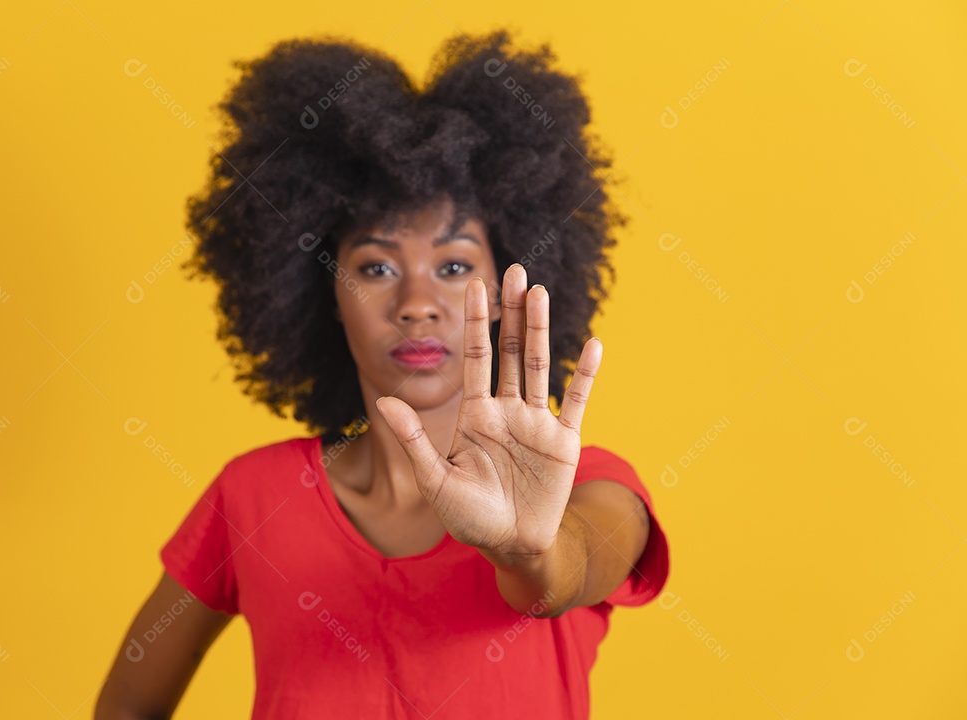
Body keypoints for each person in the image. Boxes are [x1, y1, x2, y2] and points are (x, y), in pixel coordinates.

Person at [95, 27, 669, 720]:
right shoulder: (252, 497)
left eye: (454, 267)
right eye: (375, 268)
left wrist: (527, 550)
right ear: (322, 292)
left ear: (508, 280)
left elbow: (560, 576)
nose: (417, 304)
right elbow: (126, 705)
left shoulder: (587, 486)